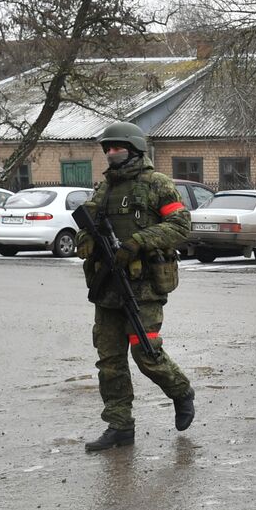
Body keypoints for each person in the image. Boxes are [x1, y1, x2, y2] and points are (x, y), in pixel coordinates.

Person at [76, 121, 196, 452]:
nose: (111, 154)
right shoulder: (104, 189)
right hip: (108, 287)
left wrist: (138, 241)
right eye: (107, 149)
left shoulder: (157, 184)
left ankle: (181, 391)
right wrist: (87, 242)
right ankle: (119, 426)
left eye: (117, 148)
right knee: (109, 360)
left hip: (142, 286)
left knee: (145, 352)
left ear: (133, 149)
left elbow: (180, 224)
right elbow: (85, 226)